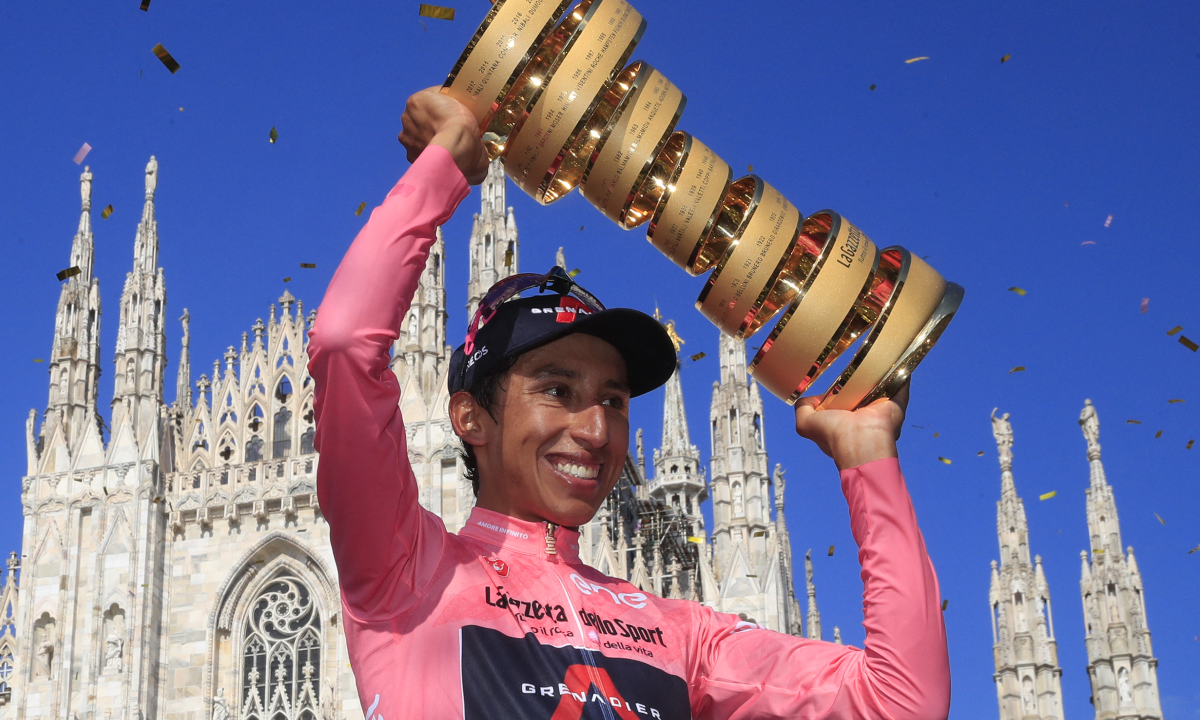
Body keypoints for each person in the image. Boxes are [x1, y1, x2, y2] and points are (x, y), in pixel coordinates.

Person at [308, 86, 950, 720]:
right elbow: (343, 344)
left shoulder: (681, 634)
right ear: (470, 416)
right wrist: (442, 164)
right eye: (557, 390)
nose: (594, 428)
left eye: (613, 401)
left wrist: (868, 456)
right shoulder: (409, 572)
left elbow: (901, 703)